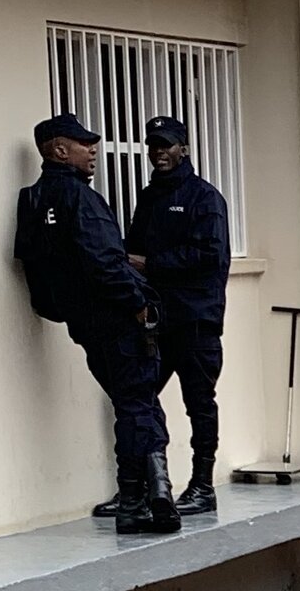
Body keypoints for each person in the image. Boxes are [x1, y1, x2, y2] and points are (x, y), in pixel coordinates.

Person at [13, 114, 180, 536]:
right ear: (58, 149)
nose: (93, 151)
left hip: (83, 323)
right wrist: (139, 304)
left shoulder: (33, 200)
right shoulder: (80, 199)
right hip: (118, 320)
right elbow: (107, 261)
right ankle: (138, 500)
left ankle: (154, 493)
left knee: (134, 403)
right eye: (84, 143)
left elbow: (34, 264)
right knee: (137, 406)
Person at [125, 115, 233, 518]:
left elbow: (210, 257)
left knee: (199, 403)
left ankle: (203, 486)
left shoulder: (205, 198)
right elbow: (130, 253)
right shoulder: (150, 197)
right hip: (155, 319)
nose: (159, 153)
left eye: (166, 145)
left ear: (183, 148)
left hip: (196, 320)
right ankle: (142, 488)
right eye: (153, 146)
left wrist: (150, 264)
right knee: (139, 398)